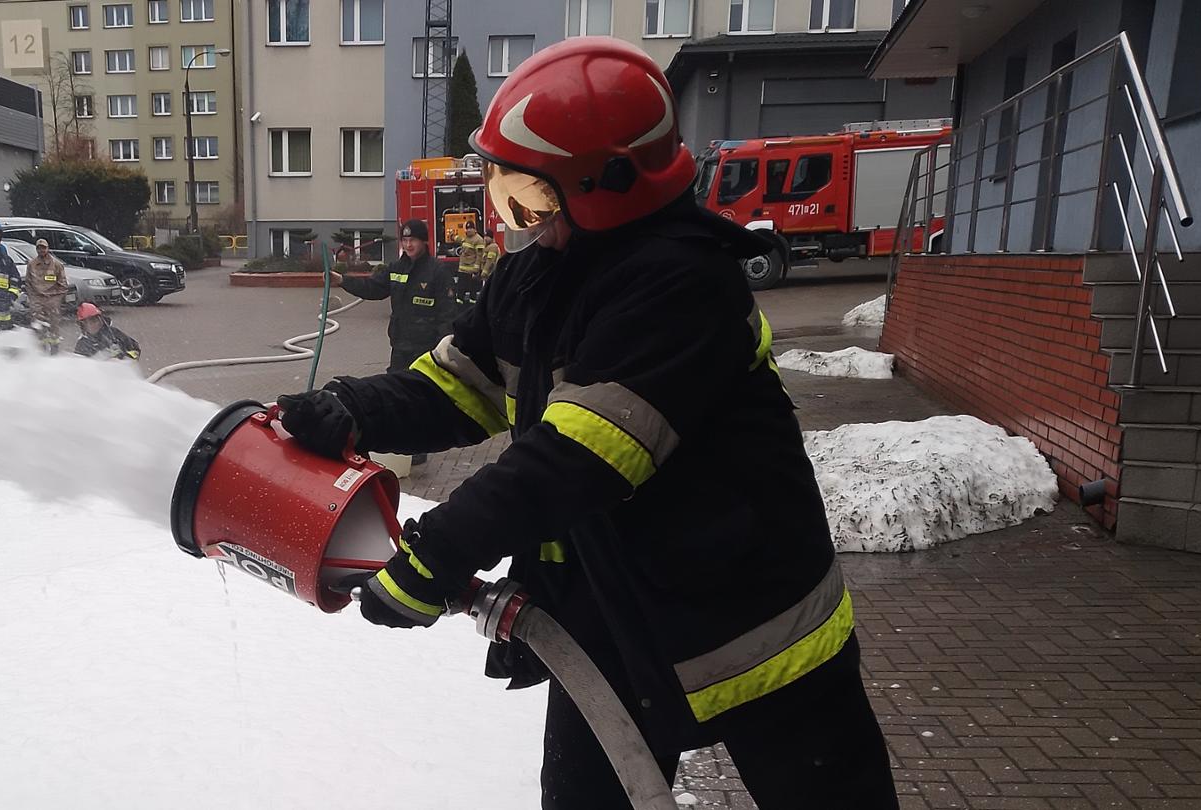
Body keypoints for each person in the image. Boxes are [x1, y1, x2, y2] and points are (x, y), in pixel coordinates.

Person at [273, 38, 897, 810]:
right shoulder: (535, 275)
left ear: (607, 186)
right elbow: (457, 387)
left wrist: (438, 554)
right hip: (606, 620)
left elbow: (576, 456)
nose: (517, 220)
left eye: (530, 197)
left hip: (755, 628)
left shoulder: (682, 284)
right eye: (506, 193)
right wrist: (353, 409)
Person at [331, 219, 455, 375]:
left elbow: (447, 314)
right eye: (405, 240)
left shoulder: (438, 271)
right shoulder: (396, 268)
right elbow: (372, 287)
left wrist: (441, 350)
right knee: (394, 387)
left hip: (427, 351)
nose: (408, 245)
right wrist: (342, 280)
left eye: (413, 240)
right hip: (400, 349)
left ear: (424, 241)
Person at [26, 238, 73, 354]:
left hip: (52, 301)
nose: (41, 250)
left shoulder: (56, 265)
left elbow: (63, 285)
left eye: (43, 248)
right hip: (37, 301)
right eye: (39, 248)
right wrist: (34, 299)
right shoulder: (31, 265)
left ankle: (54, 351)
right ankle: (41, 351)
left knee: (54, 328)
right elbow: (28, 284)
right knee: (38, 327)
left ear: (48, 248)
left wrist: (55, 300)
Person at [71, 302, 140, 360]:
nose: (96, 323)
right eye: (91, 321)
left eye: (97, 319)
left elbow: (135, 348)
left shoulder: (114, 334)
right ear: (83, 325)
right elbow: (81, 368)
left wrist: (126, 358)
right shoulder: (82, 346)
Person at [453, 223, 498, 304]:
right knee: (461, 287)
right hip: (462, 269)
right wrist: (453, 236)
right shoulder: (466, 238)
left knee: (472, 288)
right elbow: (461, 240)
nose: (469, 230)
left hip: (471, 269)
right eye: (467, 228)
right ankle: (460, 301)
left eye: (470, 228)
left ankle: (472, 303)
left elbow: (479, 256)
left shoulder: (478, 240)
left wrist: (476, 270)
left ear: (474, 229)